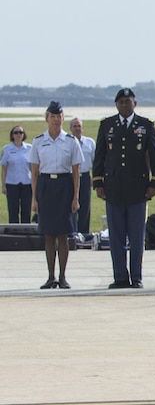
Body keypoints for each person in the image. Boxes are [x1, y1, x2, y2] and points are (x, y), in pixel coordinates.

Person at [92, 87, 155, 288]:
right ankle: (120, 277)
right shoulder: (107, 125)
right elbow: (100, 156)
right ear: (116, 104)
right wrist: (98, 182)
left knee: (136, 237)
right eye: (121, 102)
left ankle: (136, 277)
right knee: (116, 237)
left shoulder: (145, 125)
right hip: (113, 189)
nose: (125, 105)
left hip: (138, 189)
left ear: (135, 104)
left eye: (128, 101)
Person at [27, 101, 83, 288]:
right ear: (47, 119)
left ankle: (63, 276)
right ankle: (50, 276)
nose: (56, 120)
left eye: (59, 116)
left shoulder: (70, 141)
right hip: (45, 186)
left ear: (62, 118)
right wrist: (34, 199)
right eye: (53, 117)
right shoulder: (38, 141)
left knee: (63, 234)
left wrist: (75, 197)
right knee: (49, 234)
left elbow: (76, 172)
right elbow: (34, 173)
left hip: (64, 185)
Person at [69, 117, 94, 239]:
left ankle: (84, 235)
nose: (77, 128)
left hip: (84, 177)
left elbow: (96, 161)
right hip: (70, 178)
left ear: (82, 128)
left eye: (79, 126)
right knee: (71, 206)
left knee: (85, 207)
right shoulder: (67, 142)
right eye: (75, 126)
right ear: (70, 129)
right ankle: (72, 234)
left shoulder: (90, 143)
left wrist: (94, 177)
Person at [3, 126, 31, 222]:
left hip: (27, 183)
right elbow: (4, 168)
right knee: (13, 209)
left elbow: (33, 167)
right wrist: (3, 185)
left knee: (26, 209)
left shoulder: (29, 148)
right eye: (16, 132)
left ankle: (26, 231)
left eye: (21, 132)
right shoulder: (7, 149)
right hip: (12, 183)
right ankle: (13, 231)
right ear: (12, 135)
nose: (18, 135)